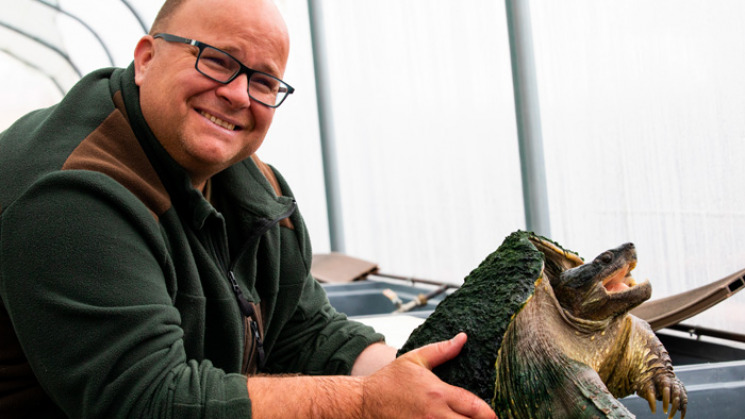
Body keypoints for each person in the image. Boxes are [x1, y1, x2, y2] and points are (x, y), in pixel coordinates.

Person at [0, 0, 497, 418]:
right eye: (217, 60)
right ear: (147, 57)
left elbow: (305, 330)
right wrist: (367, 401)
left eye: (263, 82)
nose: (238, 94)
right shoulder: (71, 195)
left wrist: (415, 377)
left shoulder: (253, 182)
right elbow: (146, 398)